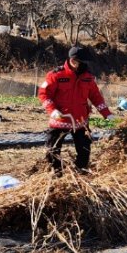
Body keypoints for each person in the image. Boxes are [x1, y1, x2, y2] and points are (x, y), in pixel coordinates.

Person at [38, 46, 112, 174]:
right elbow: (43, 94)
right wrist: (53, 110)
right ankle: (57, 173)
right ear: (71, 60)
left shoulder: (88, 77)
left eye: (82, 62)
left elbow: (96, 97)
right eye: (77, 61)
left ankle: (80, 172)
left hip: (80, 120)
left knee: (84, 150)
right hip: (60, 120)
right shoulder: (56, 75)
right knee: (52, 150)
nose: (80, 65)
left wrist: (107, 114)